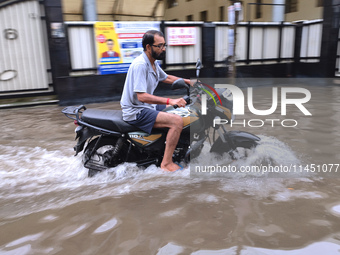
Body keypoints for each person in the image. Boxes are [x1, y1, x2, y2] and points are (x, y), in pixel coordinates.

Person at [120, 30, 191, 172]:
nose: (163, 49)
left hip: (146, 106)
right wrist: (170, 100)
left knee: (181, 112)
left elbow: (166, 78)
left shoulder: (152, 63)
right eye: (159, 46)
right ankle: (166, 163)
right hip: (136, 110)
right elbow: (141, 96)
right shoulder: (141, 65)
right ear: (148, 47)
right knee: (177, 121)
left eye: (164, 45)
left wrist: (190, 82)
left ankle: (170, 148)